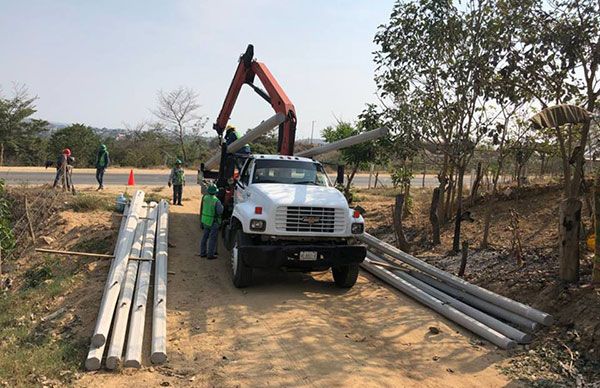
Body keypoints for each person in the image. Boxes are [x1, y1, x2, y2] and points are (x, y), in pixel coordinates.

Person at [200, 184, 223, 259]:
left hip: (205, 221)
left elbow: (202, 208)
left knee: (205, 237)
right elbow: (220, 212)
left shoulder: (205, 198)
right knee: (212, 239)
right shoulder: (216, 201)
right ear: (216, 192)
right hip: (213, 221)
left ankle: (202, 253)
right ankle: (210, 254)